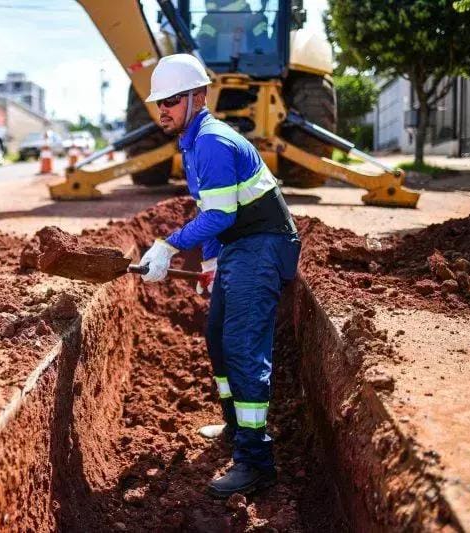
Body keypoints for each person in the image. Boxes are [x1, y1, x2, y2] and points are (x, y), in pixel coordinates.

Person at [138, 53, 301, 498]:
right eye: (160, 103)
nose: (162, 110)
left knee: (244, 349)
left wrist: (169, 244)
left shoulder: (210, 141)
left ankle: (255, 461)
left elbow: (221, 215)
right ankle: (235, 428)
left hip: (263, 245)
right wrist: (209, 264)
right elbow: (212, 212)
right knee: (217, 336)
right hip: (240, 244)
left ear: (197, 97)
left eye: (171, 100)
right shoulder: (192, 143)